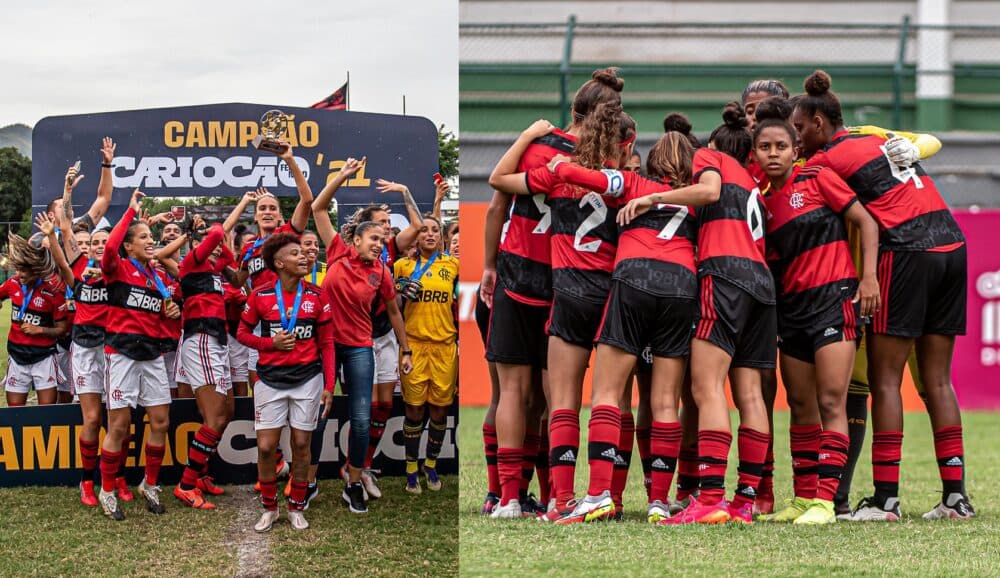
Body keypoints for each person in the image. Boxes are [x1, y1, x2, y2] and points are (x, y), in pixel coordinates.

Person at [792, 70, 973, 521]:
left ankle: (885, 500)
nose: (796, 138)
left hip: (906, 250)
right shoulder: (873, 135)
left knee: (885, 379)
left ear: (818, 123)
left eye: (798, 128)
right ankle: (956, 498)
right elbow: (927, 141)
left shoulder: (826, 161)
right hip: (952, 242)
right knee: (938, 380)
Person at [480, 68, 623, 519]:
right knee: (552, 398)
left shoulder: (541, 148)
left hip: (517, 273)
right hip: (567, 280)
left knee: (508, 392)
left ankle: (504, 496)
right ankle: (552, 496)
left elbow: (497, 200)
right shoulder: (607, 160)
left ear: (574, 108)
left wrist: (489, 265)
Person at [545, 130, 706, 524]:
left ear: (652, 161)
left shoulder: (634, 182)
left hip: (633, 279)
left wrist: (559, 166)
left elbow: (593, 178)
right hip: (682, 287)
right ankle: (658, 502)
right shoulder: (700, 199)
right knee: (666, 401)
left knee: (608, 393)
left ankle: (598, 495)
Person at [625, 104, 775, 524]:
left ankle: (709, 500)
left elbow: (707, 191)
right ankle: (745, 501)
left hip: (724, 275)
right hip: (761, 286)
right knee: (750, 395)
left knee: (706, 388)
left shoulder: (711, 158)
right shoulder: (752, 183)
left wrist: (653, 196)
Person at [753, 116, 881, 524]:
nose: (773, 154)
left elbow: (866, 221)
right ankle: (803, 497)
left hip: (834, 301)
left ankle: (826, 501)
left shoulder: (819, 178)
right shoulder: (762, 204)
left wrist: (869, 278)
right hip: (792, 310)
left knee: (830, 401)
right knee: (800, 404)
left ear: (796, 150)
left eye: (781, 146)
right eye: (764, 147)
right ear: (755, 153)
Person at [311, 158, 414, 514]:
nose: (380, 244)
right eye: (374, 238)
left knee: (360, 420)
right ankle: (307, 482)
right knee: (318, 416)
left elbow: (394, 312)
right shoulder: (337, 251)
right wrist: (341, 176)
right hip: (325, 346)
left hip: (358, 348)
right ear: (355, 240)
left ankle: (353, 482)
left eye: (383, 240)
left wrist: (405, 349)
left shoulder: (382, 271)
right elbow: (318, 208)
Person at [237, 233, 335, 531]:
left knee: (302, 444)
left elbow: (327, 343)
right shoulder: (261, 295)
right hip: (269, 380)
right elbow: (242, 334)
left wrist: (329, 386)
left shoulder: (317, 295)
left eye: (303, 252)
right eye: (295, 253)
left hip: (308, 379)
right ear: (279, 263)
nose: (304, 256)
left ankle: (296, 507)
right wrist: (271, 343)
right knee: (267, 447)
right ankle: (269, 508)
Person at [98, 189, 181, 521]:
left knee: (160, 421)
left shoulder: (157, 277)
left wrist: (171, 311)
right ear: (129, 246)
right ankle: (107, 491)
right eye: (143, 237)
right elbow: (108, 248)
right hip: (121, 354)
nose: (150, 241)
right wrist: (130, 213)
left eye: (151, 237)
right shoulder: (117, 268)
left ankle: (150, 484)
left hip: (152, 355)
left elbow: (162, 315)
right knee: (119, 426)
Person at [172, 221, 239, 509]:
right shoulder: (191, 263)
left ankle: (200, 474)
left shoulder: (213, 270)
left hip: (218, 342)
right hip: (201, 339)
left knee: (228, 412)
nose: (216, 250)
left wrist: (222, 243)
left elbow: (227, 256)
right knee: (214, 417)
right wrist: (209, 228)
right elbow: (216, 234)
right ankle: (186, 484)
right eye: (210, 246)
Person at [394, 216, 459, 493]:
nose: (430, 234)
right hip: (414, 346)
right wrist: (399, 290)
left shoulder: (453, 265)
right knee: (414, 410)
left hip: (445, 347)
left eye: (435, 230)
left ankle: (430, 464)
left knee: (440, 411)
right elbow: (392, 307)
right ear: (415, 237)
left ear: (441, 237)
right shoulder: (402, 266)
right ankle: (411, 468)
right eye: (423, 230)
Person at [1, 230, 67, 407]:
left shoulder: (52, 292)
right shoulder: (13, 283)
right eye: (18, 269)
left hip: (44, 357)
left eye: (25, 271)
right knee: (15, 412)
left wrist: (40, 330)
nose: (20, 274)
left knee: (46, 412)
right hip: (16, 356)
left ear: (37, 271)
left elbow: (62, 329)